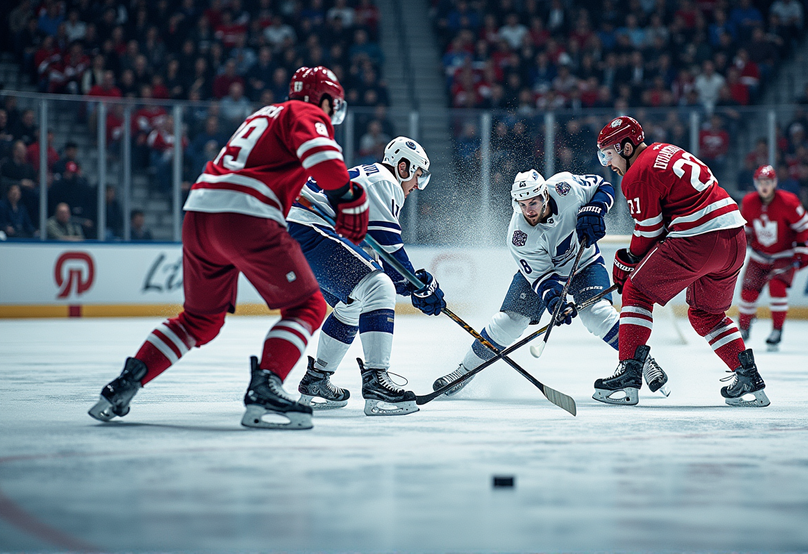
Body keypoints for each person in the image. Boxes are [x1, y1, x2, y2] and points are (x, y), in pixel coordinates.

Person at [88, 66, 369, 430]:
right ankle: (266, 386)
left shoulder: (264, 115)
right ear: (326, 100)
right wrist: (346, 193)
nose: (334, 114)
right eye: (335, 106)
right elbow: (322, 155)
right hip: (245, 215)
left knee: (200, 320)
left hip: (200, 214)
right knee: (308, 305)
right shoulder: (306, 111)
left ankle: (125, 384)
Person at [431, 169, 668, 398]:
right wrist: (555, 300)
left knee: (597, 314)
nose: (528, 211)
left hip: (584, 263)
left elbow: (601, 185)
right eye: (522, 205)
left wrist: (595, 209)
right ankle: (464, 372)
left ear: (544, 194)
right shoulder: (518, 235)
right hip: (542, 275)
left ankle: (644, 363)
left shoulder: (566, 188)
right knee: (509, 323)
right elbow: (542, 279)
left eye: (532, 203)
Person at [596, 115, 769, 407]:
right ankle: (748, 377)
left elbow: (650, 229)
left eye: (608, 154)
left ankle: (628, 374)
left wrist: (628, 261)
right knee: (706, 314)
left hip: (699, 238)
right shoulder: (665, 150)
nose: (608, 163)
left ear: (626, 147)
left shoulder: (636, 172)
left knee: (636, 291)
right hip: (735, 238)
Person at [287, 137, 445, 416]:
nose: (416, 187)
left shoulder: (370, 176)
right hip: (305, 227)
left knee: (354, 301)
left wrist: (411, 284)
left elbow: (382, 255)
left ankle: (317, 380)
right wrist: (419, 287)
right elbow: (390, 254)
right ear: (404, 167)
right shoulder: (386, 182)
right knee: (378, 287)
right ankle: (376, 381)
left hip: (294, 233)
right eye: (418, 176)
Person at [736, 164, 808, 351]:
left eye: (768, 182)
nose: (764, 186)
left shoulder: (789, 201)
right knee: (748, 292)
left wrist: (802, 248)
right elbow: (747, 230)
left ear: (774, 183)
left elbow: (805, 226)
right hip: (759, 256)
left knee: (777, 288)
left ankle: (777, 330)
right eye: (761, 182)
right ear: (756, 183)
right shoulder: (748, 202)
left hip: (783, 255)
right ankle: (744, 327)